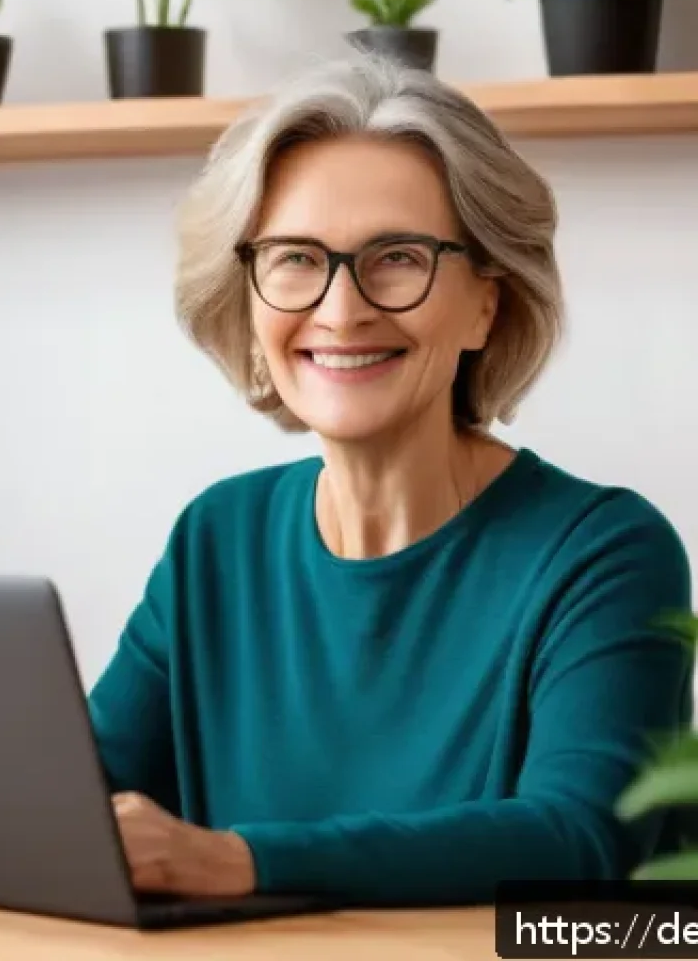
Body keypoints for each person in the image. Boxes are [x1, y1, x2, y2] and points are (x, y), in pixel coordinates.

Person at [86, 52, 694, 906]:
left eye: (398, 257)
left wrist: (240, 862)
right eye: (296, 257)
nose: (341, 310)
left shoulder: (605, 553)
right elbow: (72, 799)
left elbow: (580, 839)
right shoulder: (215, 539)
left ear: (488, 300)